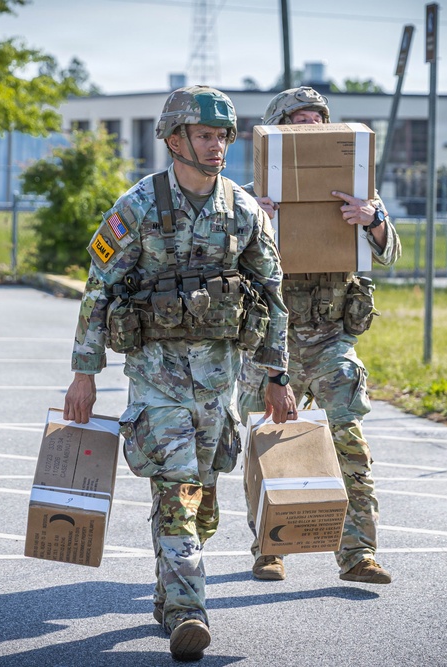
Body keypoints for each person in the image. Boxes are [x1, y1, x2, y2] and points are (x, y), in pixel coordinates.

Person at [62, 85, 296, 662]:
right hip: (156, 381)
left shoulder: (242, 209)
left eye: (223, 137)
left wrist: (277, 375)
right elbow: (99, 289)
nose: (217, 148)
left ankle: (169, 594)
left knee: (203, 503)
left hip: (220, 385)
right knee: (176, 493)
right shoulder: (136, 207)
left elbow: (273, 294)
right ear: (174, 140)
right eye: (206, 136)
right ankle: (191, 611)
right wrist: (84, 373)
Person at [237, 86, 402, 585]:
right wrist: (255, 223)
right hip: (273, 343)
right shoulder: (245, 197)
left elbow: (391, 254)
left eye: (318, 120)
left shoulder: (355, 189)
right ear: (279, 130)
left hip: (332, 338)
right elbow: (222, 265)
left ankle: (358, 554)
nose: (312, 127)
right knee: (271, 443)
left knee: (349, 440)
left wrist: (372, 220)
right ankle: (271, 547)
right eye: (300, 120)